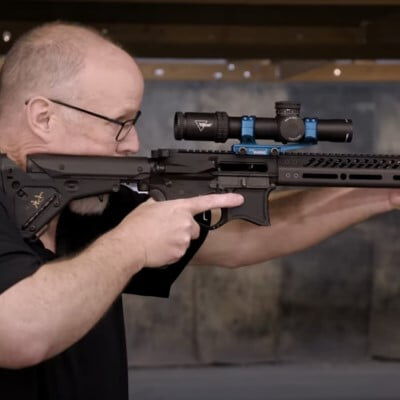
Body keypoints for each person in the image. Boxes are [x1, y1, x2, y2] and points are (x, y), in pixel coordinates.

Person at [0, 22, 399, 400]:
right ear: (43, 117)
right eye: (119, 123)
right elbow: (20, 331)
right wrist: (131, 243)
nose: (131, 142)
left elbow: (241, 243)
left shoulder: (86, 205)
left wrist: (382, 191)